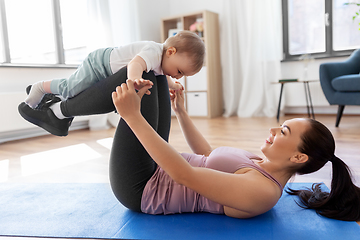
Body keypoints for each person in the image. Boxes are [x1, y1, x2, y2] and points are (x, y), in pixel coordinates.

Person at [18, 68, 360, 221]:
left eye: (283, 131)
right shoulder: (263, 162)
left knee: (136, 75)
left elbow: (184, 174)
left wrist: (133, 117)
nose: (273, 129)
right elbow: (209, 156)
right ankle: (59, 114)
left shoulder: (262, 193)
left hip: (141, 188)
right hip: (154, 169)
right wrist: (181, 111)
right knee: (156, 73)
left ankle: (59, 112)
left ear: (299, 156)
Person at [19, 30, 204, 136]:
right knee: (70, 89)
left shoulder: (162, 64)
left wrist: (173, 85)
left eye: (182, 76)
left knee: (78, 94)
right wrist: (134, 80)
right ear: (170, 51)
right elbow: (136, 64)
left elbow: (165, 76)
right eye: (179, 71)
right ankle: (40, 87)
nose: (178, 76)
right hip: (98, 64)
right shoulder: (154, 51)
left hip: (105, 69)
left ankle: (55, 102)